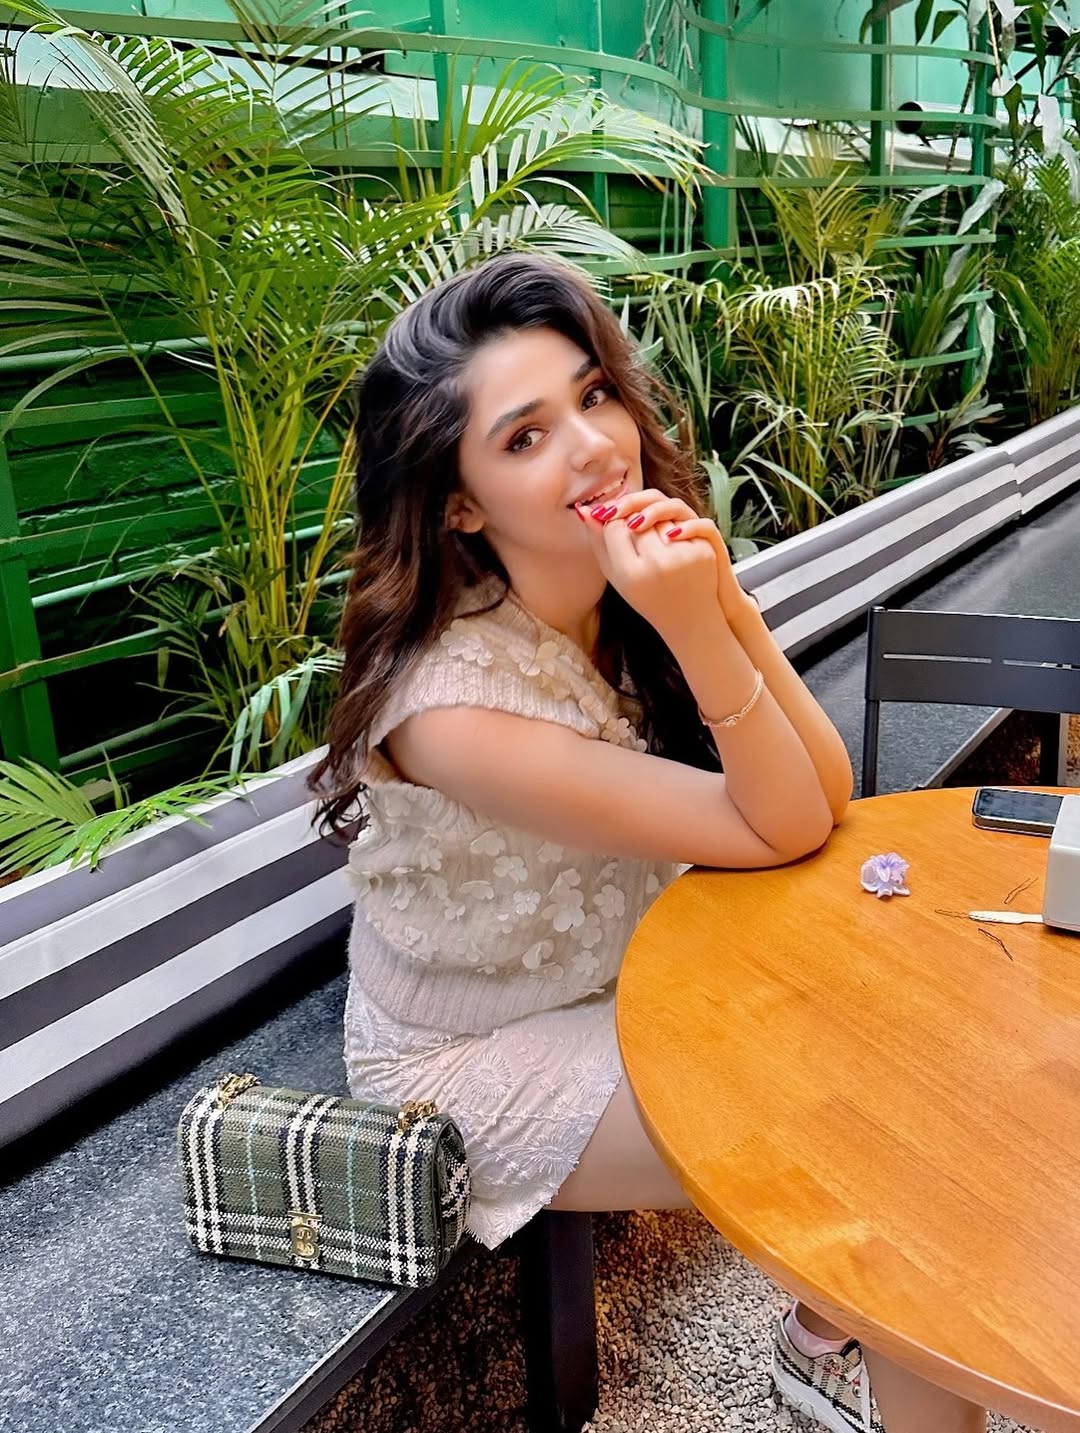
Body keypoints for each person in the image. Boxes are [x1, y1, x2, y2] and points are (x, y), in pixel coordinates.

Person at [311, 253, 986, 1433]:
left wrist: (716, 599)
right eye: (526, 437)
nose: (593, 447)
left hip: (633, 970)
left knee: (903, 1013)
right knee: (884, 1144)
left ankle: (829, 1325)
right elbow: (776, 825)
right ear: (459, 502)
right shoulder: (453, 712)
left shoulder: (613, 583)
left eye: (593, 396)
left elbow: (822, 793)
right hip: (475, 1056)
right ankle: (844, 1335)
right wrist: (699, 617)